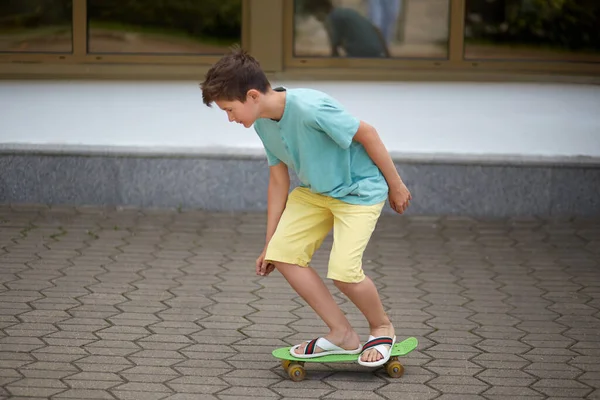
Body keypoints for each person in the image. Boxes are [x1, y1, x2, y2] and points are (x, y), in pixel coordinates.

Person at [199, 47, 411, 367]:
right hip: (315, 193)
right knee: (283, 253)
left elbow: (367, 133)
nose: (229, 118)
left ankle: (381, 327)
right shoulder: (262, 122)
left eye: (229, 109)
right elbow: (278, 180)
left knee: (344, 273)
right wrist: (269, 243)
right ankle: (342, 334)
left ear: (253, 95)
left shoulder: (311, 107)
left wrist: (397, 185)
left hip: (358, 192)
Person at [303, 0, 390, 58]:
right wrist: (387, 54)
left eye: (315, 15)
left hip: (360, 55)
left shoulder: (332, 18)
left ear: (320, 10)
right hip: (377, 52)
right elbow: (376, 29)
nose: (317, 19)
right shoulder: (347, 12)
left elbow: (334, 49)